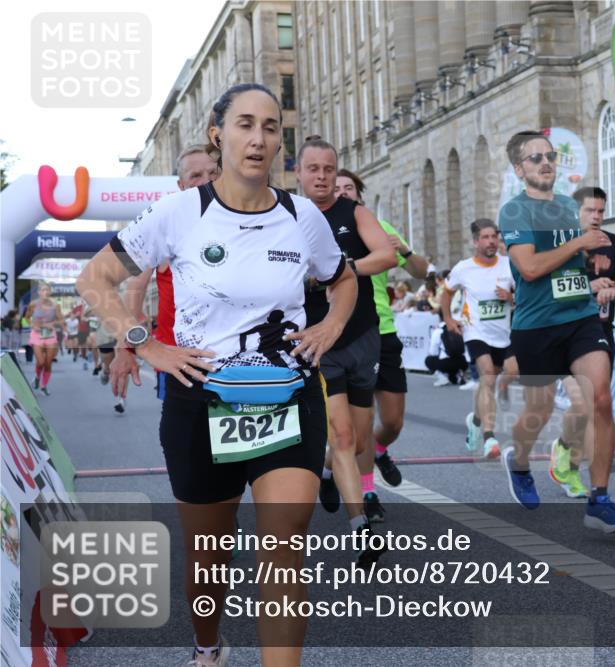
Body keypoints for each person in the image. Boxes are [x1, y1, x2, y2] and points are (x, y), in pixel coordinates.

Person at [76, 82, 358, 667]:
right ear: (218, 133)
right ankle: (209, 646)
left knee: (283, 549)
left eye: (271, 128)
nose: (258, 139)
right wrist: (145, 344)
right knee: (210, 559)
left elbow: (344, 278)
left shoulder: (300, 214)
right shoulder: (180, 212)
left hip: (285, 394)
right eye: (245, 125)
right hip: (201, 401)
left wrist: (329, 329)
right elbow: (93, 279)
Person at [498, 130, 615, 533]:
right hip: (536, 325)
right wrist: (577, 243)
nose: (545, 163)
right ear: (520, 169)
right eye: (535, 158)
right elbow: (531, 269)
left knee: (602, 400)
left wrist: (599, 282)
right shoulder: (515, 212)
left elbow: (576, 267)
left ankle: (600, 499)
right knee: (537, 412)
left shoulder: (568, 208)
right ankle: (518, 462)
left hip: (581, 319)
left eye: (550, 156)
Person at [295, 139, 396, 529]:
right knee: (340, 436)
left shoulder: (354, 212)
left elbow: (386, 255)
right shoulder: (287, 215)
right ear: (300, 173)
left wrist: (341, 267)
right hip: (320, 341)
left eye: (328, 169)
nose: (321, 176)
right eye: (313, 169)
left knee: (355, 437)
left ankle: (326, 472)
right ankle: (361, 525)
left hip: (362, 335)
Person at [330, 170, 429, 501]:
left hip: (383, 332)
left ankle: (368, 454)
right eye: (337, 189)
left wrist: (405, 249)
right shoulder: (324, 227)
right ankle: (367, 493)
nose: (342, 193)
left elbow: (421, 271)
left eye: (349, 189)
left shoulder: (380, 230)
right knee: (358, 424)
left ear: (359, 197)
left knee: (391, 421)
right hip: (345, 335)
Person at [112, 145, 221, 402]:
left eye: (213, 173)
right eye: (195, 176)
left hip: (237, 363)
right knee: (184, 442)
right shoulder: (166, 224)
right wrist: (125, 346)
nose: (206, 181)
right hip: (180, 364)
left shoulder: (245, 220)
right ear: (181, 185)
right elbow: (134, 290)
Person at [549, 186, 615, 497]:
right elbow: (551, 287)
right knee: (583, 402)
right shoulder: (562, 244)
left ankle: (563, 449)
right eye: (590, 210)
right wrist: (588, 285)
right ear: (576, 212)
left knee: (595, 403)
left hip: (600, 332)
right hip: (566, 332)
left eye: (601, 211)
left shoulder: (613, 243)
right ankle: (571, 470)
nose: (597, 216)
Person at [440, 219, 517, 459]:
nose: (492, 241)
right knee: (487, 375)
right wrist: (449, 319)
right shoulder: (464, 268)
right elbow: (447, 292)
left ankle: (475, 419)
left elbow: (522, 296)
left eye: (494, 236)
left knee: (504, 375)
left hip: (503, 333)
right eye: (486, 237)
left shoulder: (509, 264)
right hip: (475, 330)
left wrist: (510, 297)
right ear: (475, 242)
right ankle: (489, 437)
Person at [25, 283, 64, 396]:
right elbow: (26, 318)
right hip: (37, 335)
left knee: (47, 363)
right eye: (43, 290)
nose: (45, 292)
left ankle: (44, 386)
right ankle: (37, 378)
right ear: (39, 292)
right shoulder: (33, 304)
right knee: (40, 361)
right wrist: (33, 325)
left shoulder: (55, 305)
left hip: (50, 334)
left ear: (50, 292)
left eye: (47, 290)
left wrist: (52, 323)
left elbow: (61, 320)